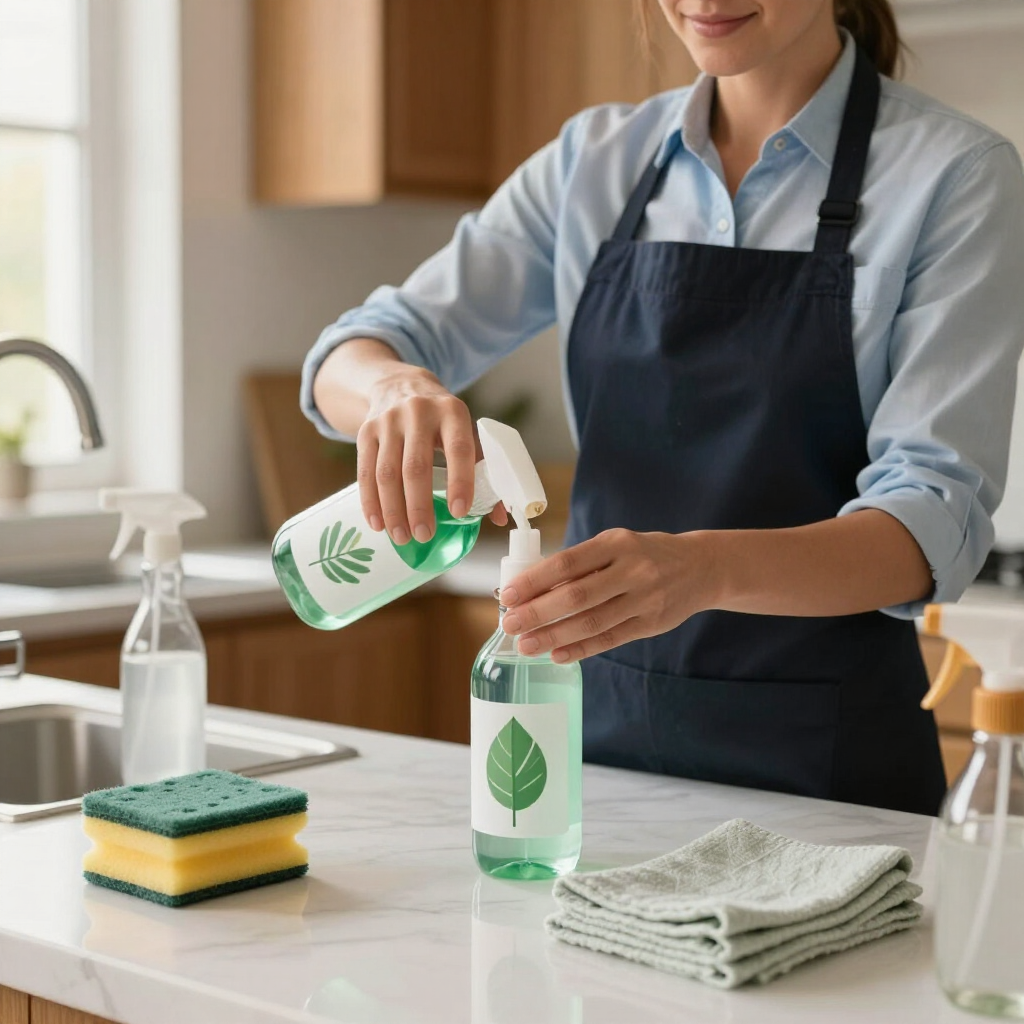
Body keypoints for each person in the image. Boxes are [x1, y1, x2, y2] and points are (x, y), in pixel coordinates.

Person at [300, 0, 1024, 815]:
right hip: (590, 759)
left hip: (829, 777)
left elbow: (931, 520)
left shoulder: (954, 175)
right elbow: (352, 353)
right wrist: (395, 385)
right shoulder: (591, 163)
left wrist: (700, 570)